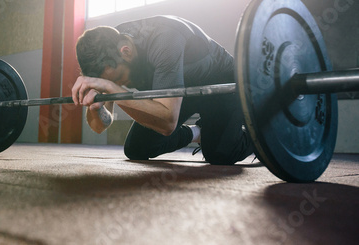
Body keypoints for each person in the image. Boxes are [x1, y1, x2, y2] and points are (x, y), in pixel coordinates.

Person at [71, 15, 254, 165]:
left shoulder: (165, 40)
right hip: (177, 90)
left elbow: (168, 124)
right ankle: (198, 133)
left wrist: (112, 89)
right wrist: (96, 107)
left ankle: (259, 134)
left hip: (219, 85)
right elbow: (99, 126)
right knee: (137, 148)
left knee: (220, 154)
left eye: (118, 79)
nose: (115, 83)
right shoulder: (107, 52)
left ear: (126, 51)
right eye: (110, 81)